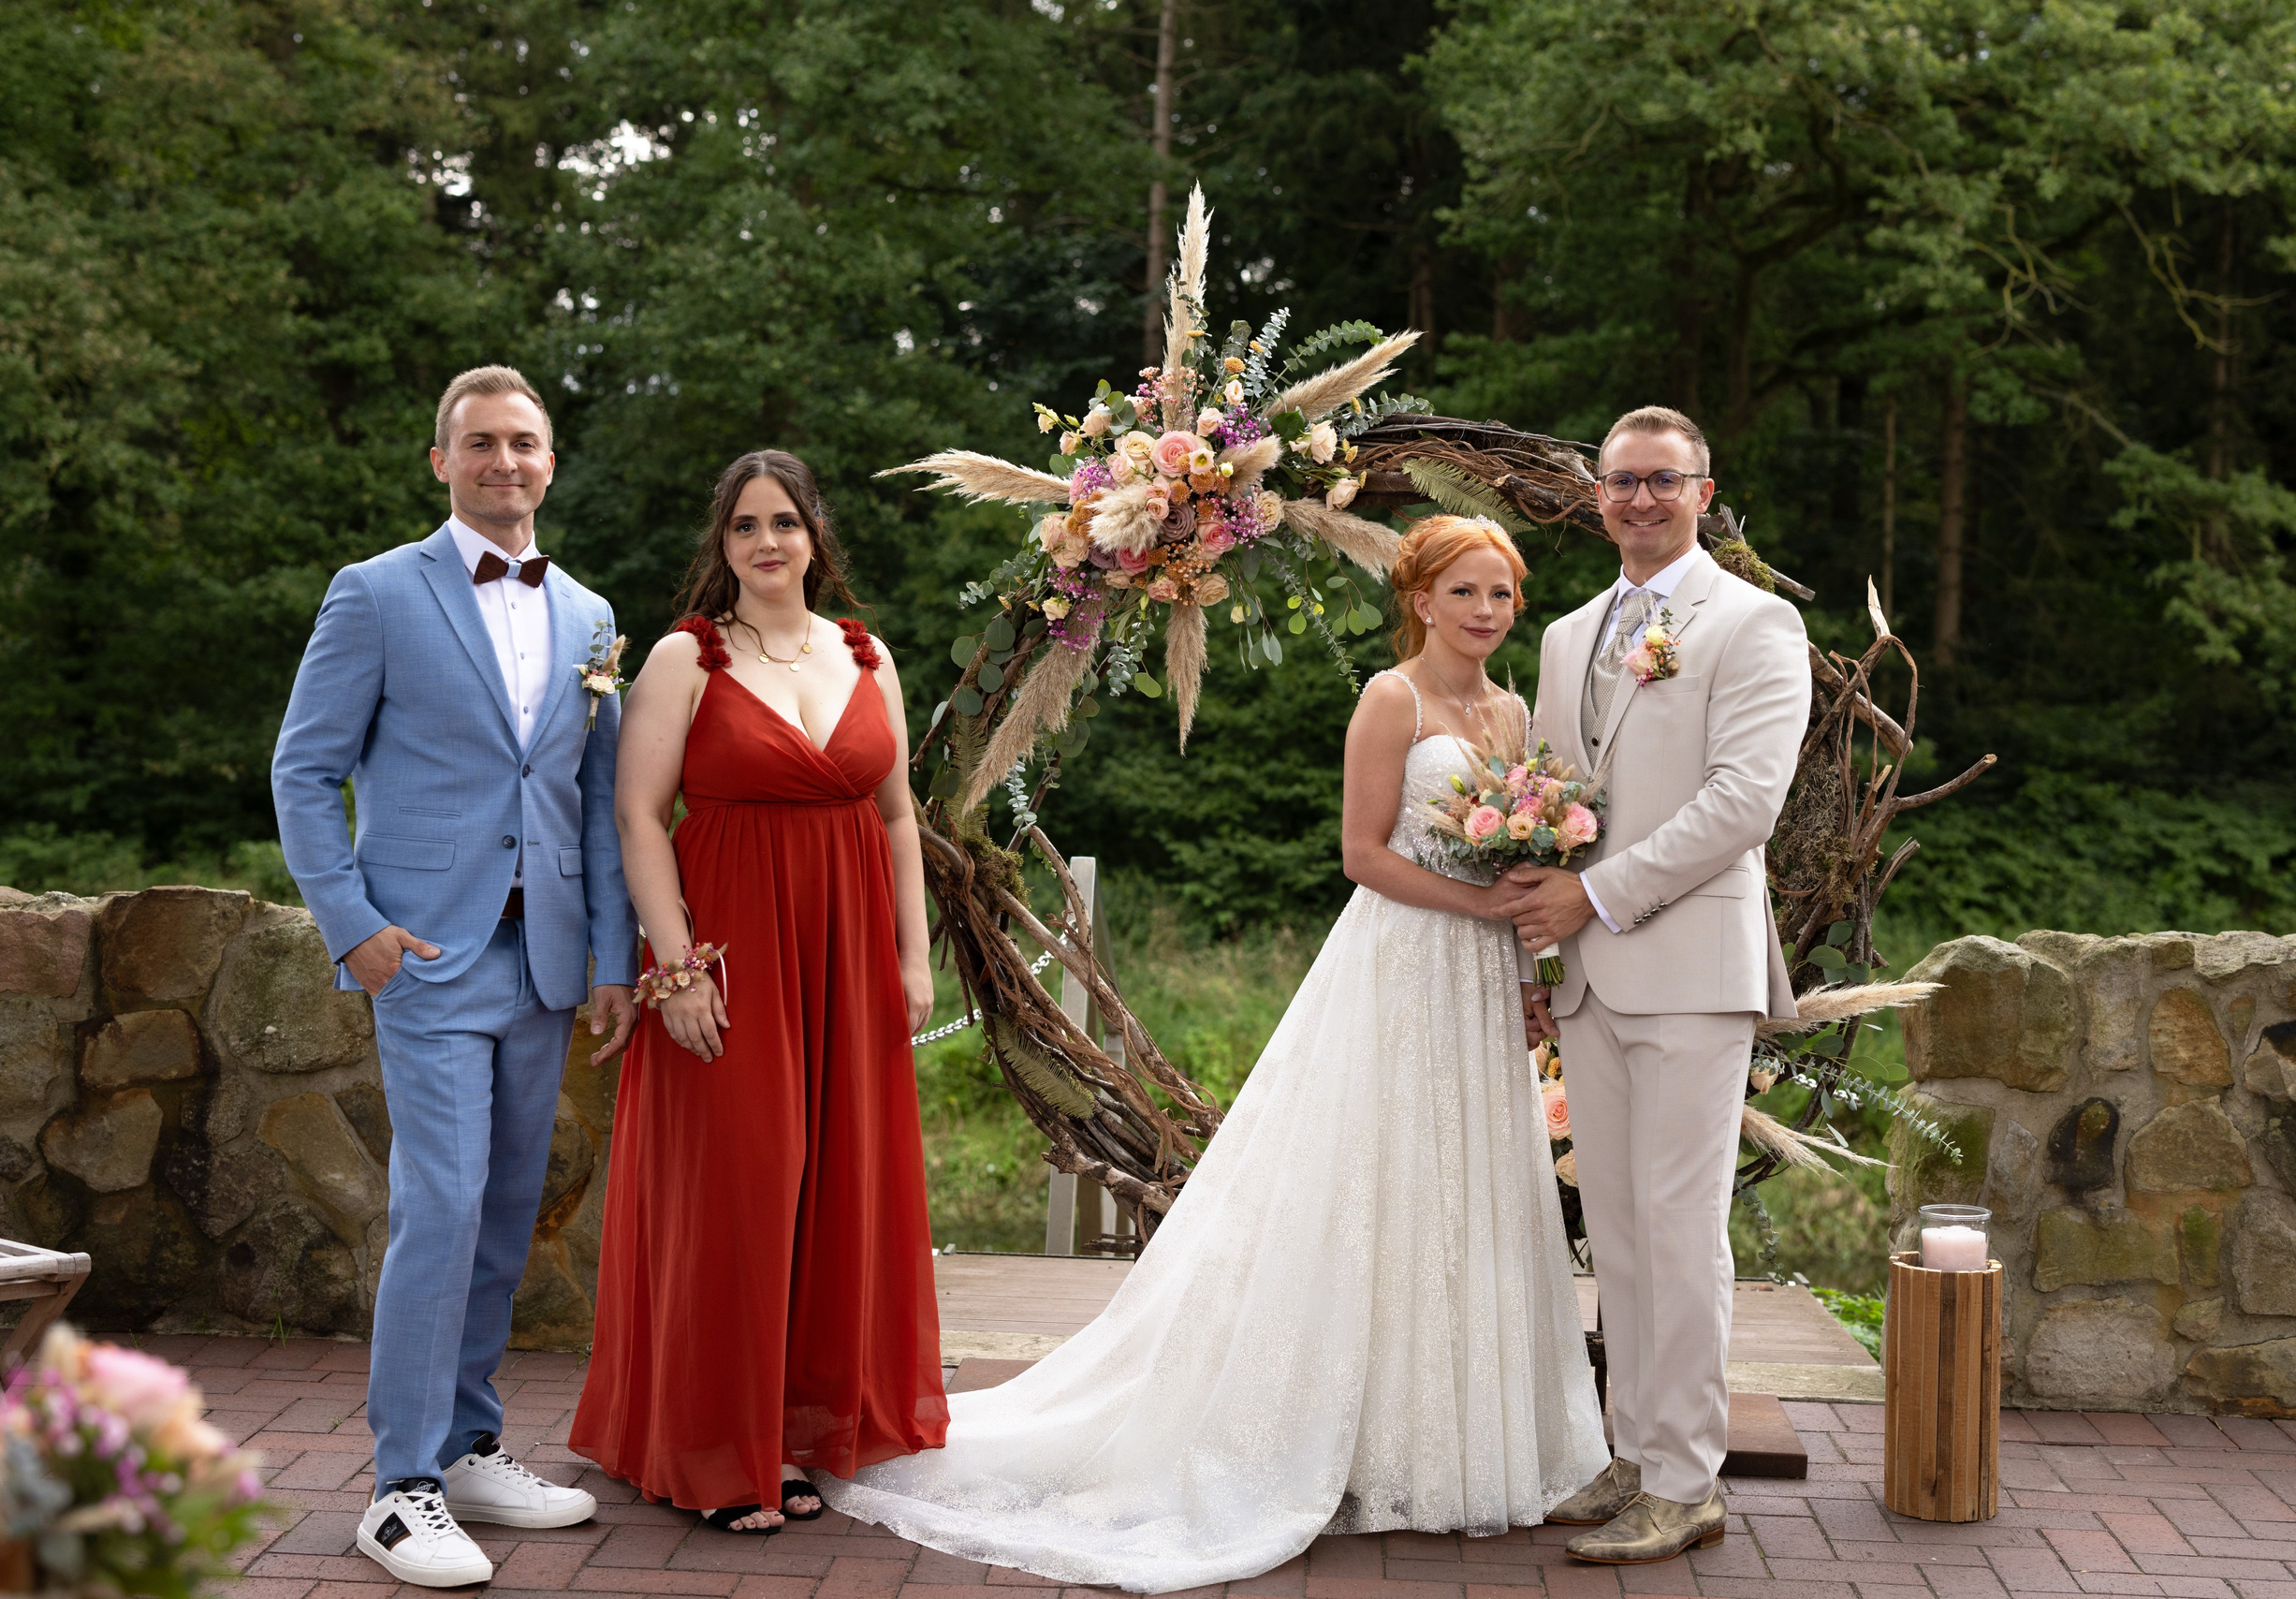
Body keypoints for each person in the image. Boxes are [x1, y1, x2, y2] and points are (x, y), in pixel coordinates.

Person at [813, 515, 1606, 1592]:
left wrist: (1523, 966)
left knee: (1468, 1189)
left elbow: (1526, 845)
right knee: (1378, 1183)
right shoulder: (1392, 699)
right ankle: (1335, 1430)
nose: (1484, 610)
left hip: (1481, 978)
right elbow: (1362, 854)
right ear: (1420, 599)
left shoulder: (1511, 710)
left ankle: (1454, 1437)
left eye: (1500, 593)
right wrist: (1480, 902)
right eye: (1464, 591)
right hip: (1405, 964)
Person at [272, 365, 639, 1588]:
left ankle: (470, 1445)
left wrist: (611, 958)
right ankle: (401, 1490)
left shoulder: (589, 614)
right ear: (442, 461)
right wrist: (354, 926)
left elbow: (596, 800)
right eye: (479, 443)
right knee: (441, 1205)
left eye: (523, 442)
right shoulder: (376, 592)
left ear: (551, 461)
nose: (504, 462)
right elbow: (302, 770)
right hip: (426, 958)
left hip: (543, 962)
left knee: (504, 1210)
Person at [569, 448, 945, 1533]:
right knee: (737, 1196)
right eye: (745, 525)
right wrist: (676, 967)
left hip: (846, 960)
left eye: (784, 520)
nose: (767, 541)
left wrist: (912, 957)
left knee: (834, 1190)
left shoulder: (865, 654)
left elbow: (897, 818)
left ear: (814, 534)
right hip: (730, 960)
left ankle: (794, 1431)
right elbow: (639, 817)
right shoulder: (686, 658)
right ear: (721, 542)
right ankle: (716, 1450)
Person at [1494, 405, 1809, 1565]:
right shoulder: (1569, 634)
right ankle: (1634, 1451)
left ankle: (1686, 1483)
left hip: (1688, 968)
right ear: (1597, 495)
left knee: (1679, 1232)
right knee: (1621, 1236)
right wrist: (1540, 949)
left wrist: (1597, 896)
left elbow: (1743, 802)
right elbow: (1546, 801)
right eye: (1622, 479)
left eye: (1662, 480)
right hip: (1587, 975)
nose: (1639, 497)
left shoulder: (1753, 621)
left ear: (1702, 493)